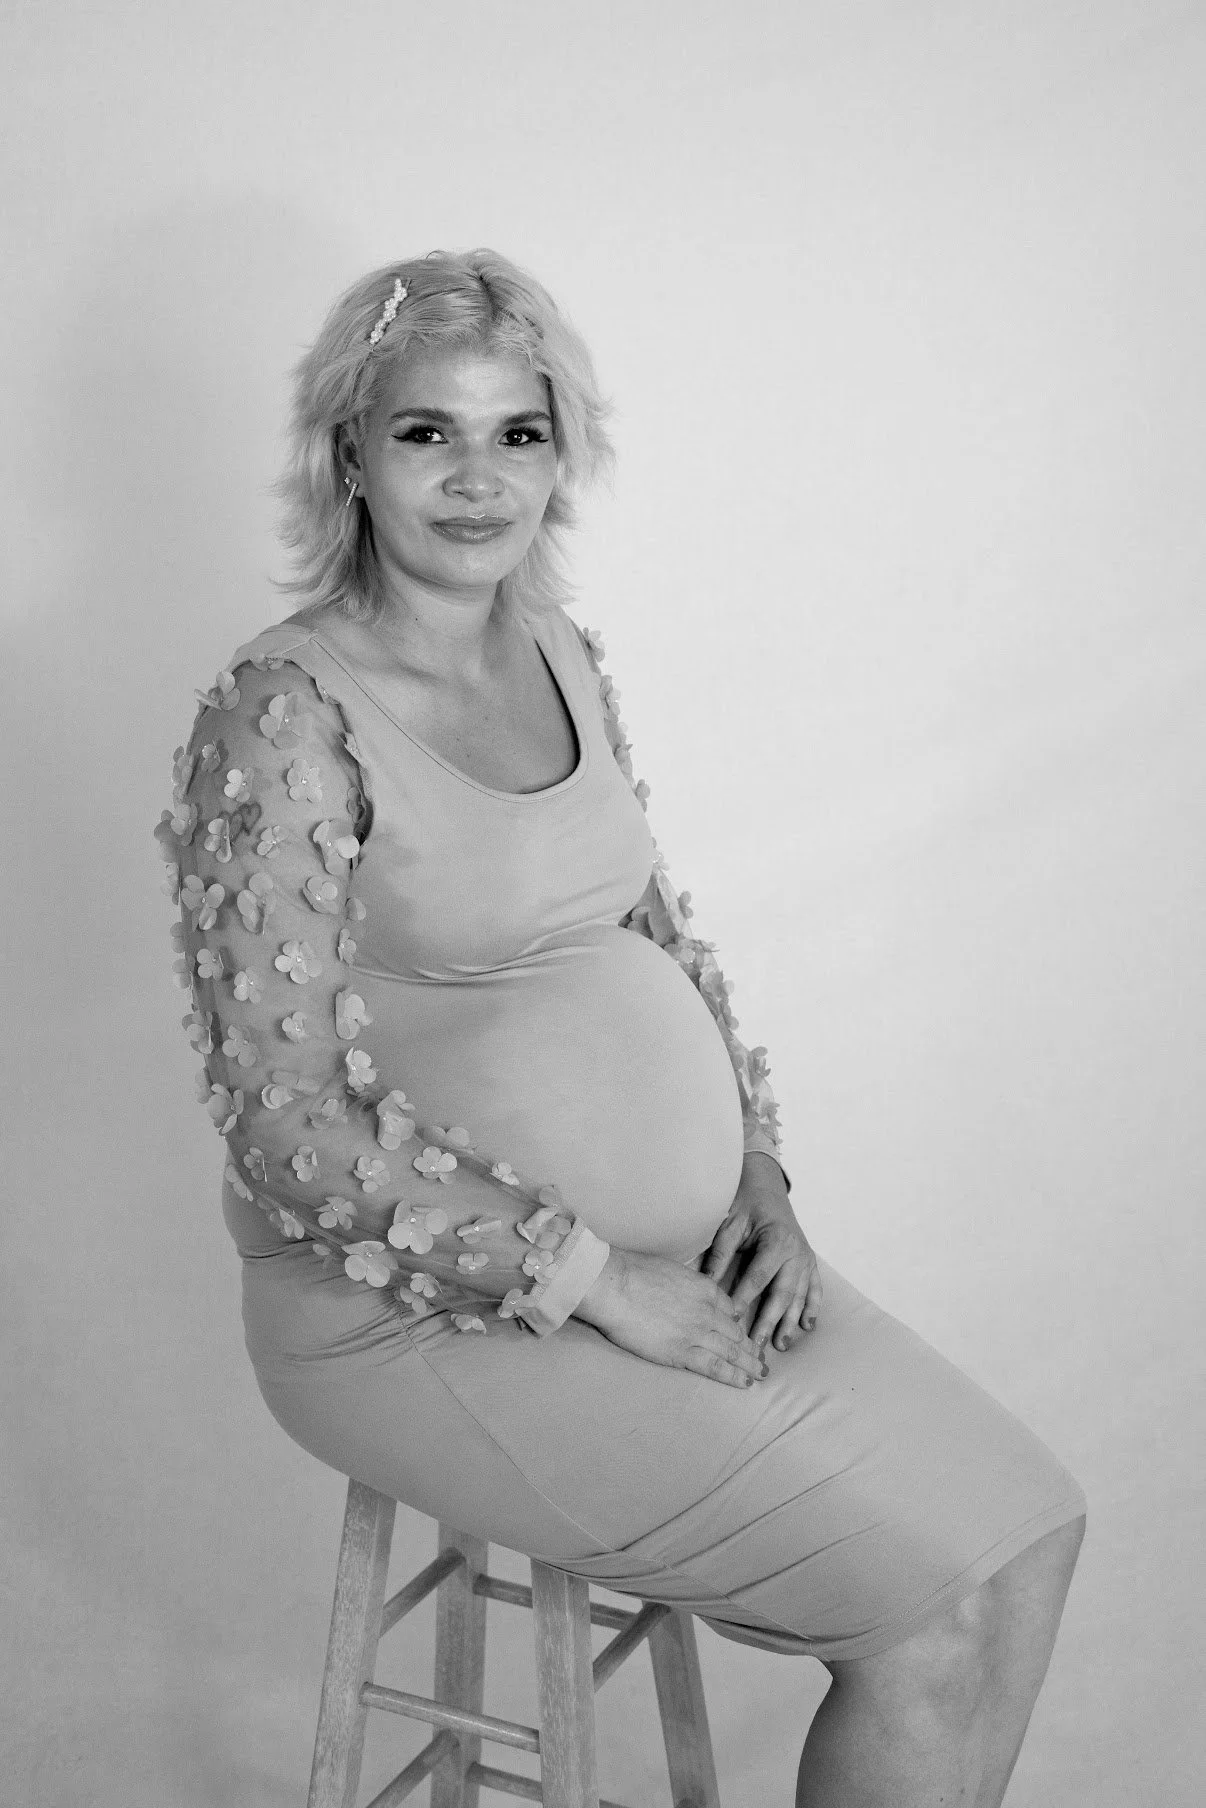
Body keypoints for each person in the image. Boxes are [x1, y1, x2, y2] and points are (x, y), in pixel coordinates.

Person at [157, 249, 1086, 1806]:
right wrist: (596, 1285)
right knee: (929, 1614)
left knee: (1025, 1534)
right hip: (412, 1317)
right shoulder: (283, 711)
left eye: (516, 434)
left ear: (559, 454)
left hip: (677, 1262)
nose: (475, 479)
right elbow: (287, 1122)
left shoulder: (557, 658)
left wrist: (759, 1187)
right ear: (349, 455)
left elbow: (652, 938)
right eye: (424, 434)